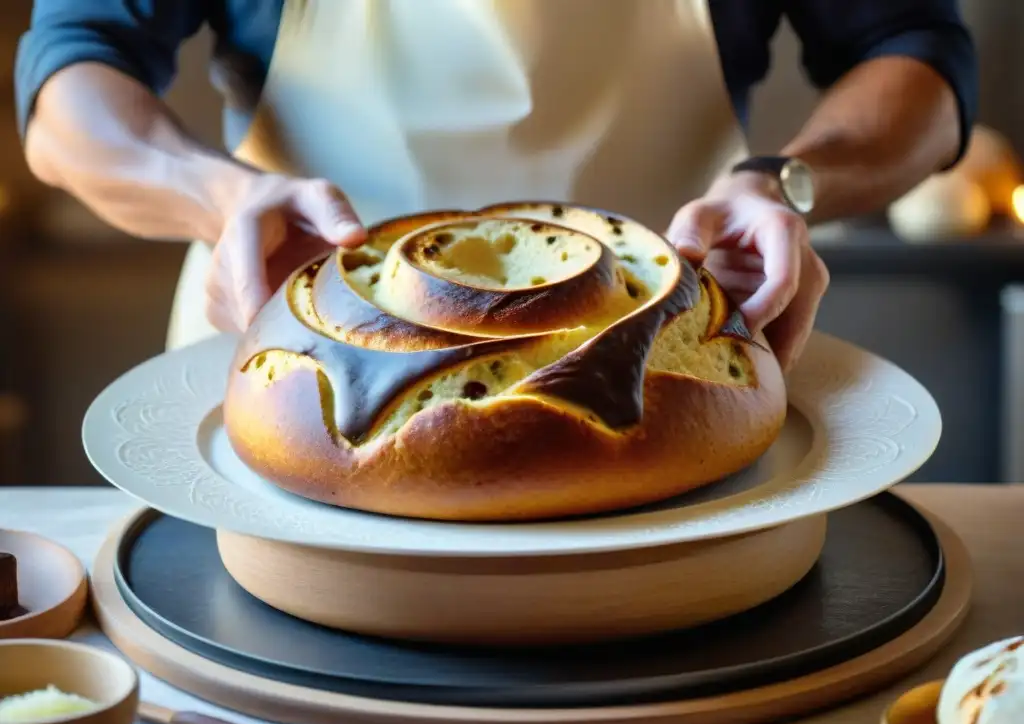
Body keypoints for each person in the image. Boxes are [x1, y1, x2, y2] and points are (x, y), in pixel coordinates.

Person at [15, 1, 976, 371]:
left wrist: (788, 182)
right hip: (294, 379)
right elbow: (72, 75)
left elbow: (916, 50)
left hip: (664, 380)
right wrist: (217, 198)